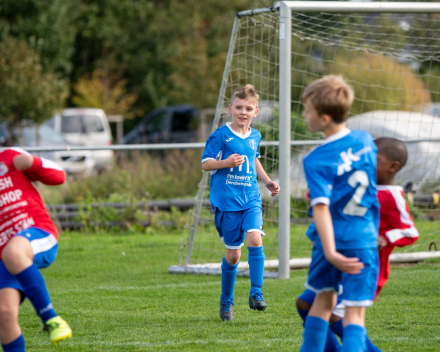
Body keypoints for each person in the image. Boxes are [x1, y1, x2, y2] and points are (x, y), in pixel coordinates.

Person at [296, 137, 419, 352]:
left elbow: (410, 230)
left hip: (365, 269)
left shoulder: (392, 195)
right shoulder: (363, 183)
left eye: (375, 158)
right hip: (340, 261)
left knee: (334, 314)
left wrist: (386, 237)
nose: (368, 161)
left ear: (392, 167)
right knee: (305, 304)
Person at [299, 75, 379, 352]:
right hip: (363, 238)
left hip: (331, 241)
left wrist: (331, 252)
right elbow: (359, 180)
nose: (303, 114)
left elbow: (320, 208)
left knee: (322, 302)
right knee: (355, 316)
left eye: (307, 110)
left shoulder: (315, 159)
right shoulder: (366, 140)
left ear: (323, 119)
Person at [201, 84, 280, 321]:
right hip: (227, 203)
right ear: (230, 109)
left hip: (250, 199)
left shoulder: (255, 136)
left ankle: (256, 293)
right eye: (238, 107)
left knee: (255, 238)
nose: (243, 112)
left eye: (248, 108)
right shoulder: (220, 135)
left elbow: (254, 160)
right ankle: (226, 301)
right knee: (233, 256)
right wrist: (225, 163)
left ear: (255, 112)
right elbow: (205, 164)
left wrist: (266, 180)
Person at [0, 148, 72, 352]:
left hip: (38, 233)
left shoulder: (9, 156)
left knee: (13, 252)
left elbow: (59, 176)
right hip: (5, 256)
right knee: (4, 314)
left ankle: (52, 320)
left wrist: (33, 162)